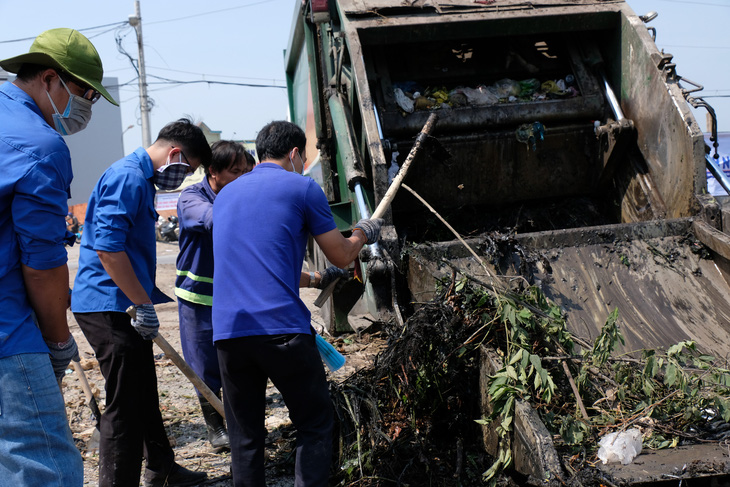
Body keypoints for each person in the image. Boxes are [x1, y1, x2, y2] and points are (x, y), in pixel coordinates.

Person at [212, 120, 383, 486]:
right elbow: (339, 255)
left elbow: (256, 260)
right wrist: (363, 233)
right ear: (293, 154)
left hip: (229, 333)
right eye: (302, 158)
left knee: (245, 439)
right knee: (315, 424)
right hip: (282, 332)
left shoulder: (225, 195)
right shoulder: (302, 187)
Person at [175, 141, 349, 454]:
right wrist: (256, 203)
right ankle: (215, 427)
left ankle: (232, 429)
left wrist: (316, 279)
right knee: (204, 367)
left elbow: (265, 264)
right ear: (213, 172)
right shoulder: (195, 198)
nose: (242, 176)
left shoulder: (237, 195)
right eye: (235, 172)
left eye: (246, 170)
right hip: (201, 299)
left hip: (238, 316)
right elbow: (220, 223)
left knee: (246, 430)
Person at [0, 28, 117, 487]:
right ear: (50, 78)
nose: (86, 107)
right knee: (41, 463)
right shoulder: (39, 145)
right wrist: (57, 341)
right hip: (8, 331)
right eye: (86, 94)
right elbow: (43, 265)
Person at [71, 118, 212, 487]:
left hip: (123, 302)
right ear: (176, 154)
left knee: (143, 389)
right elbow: (108, 248)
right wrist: (143, 303)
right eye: (189, 170)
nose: (184, 179)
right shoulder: (129, 177)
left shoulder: (138, 177)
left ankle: (162, 468)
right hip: (110, 304)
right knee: (125, 406)